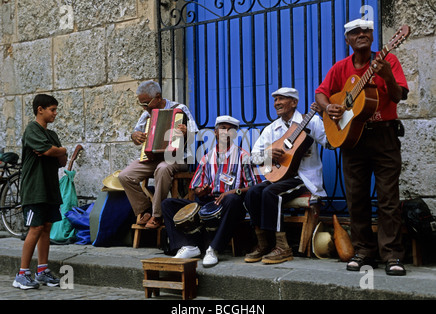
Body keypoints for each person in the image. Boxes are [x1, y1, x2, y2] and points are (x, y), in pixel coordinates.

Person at [315, 18, 409, 276]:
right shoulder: (340, 68)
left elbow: (399, 95)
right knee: (356, 199)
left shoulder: (387, 61)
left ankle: (392, 255)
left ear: (372, 35)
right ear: (348, 40)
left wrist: (387, 74)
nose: (362, 34)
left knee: (388, 198)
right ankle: (364, 251)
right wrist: (328, 107)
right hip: (351, 140)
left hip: (384, 137)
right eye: (355, 32)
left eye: (366, 30)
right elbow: (321, 93)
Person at [161, 115, 260, 267]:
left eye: (230, 130)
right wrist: (201, 191)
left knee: (232, 200)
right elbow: (197, 189)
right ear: (215, 132)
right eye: (222, 128)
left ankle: (213, 249)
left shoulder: (243, 156)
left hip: (231, 205)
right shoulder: (206, 158)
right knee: (168, 204)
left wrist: (233, 192)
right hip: (209, 202)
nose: (226, 132)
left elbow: (254, 186)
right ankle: (187, 246)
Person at [245, 87, 328, 264]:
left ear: (294, 102)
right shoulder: (271, 129)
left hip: (303, 178)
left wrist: (325, 117)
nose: (277, 103)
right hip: (280, 176)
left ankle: (283, 246)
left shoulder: (311, 120)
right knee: (252, 193)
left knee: (270, 193)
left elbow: (330, 142)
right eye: (275, 100)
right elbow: (252, 157)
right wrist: (267, 155)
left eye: (281, 99)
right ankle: (264, 243)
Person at [118, 80, 198, 229]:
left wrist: (187, 133)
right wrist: (135, 136)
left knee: (162, 168)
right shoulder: (146, 115)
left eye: (147, 103)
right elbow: (136, 134)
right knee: (125, 176)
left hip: (176, 157)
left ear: (159, 97)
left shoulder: (180, 109)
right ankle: (146, 210)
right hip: (152, 158)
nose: (144, 108)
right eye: (141, 104)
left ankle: (157, 215)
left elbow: (194, 135)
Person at [13, 94, 68, 289]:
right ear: (40, 110)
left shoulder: (52, 135)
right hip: (34, 189)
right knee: (35, 228)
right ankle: (22, 273)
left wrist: (59, 150)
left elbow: (61, 159)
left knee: (46, 228)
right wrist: (56, 150)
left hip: (50, 189)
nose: (55, 113)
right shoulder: (32, 130)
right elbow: (48, 152)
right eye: (52, 110)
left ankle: (42, 271)